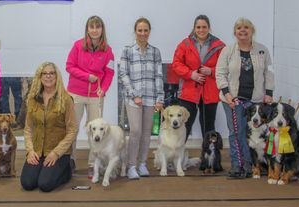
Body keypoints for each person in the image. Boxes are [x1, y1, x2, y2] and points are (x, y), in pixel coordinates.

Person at [216, 17, 274, 178]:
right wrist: (228, 95)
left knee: (253, 134)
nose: (243, 30)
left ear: (252, 31)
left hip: (256, 100)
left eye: (246, 27)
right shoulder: (227, 50)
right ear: (235, 32)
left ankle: (252, 165)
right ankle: (237, 165)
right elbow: (220, 74)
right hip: (232, 100)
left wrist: (269, 94)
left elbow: (269, 72)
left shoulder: (262, 50)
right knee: (236, 132)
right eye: (239, 28)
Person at [66, 15, 115, 177]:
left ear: (102, 29)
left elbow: (109, 72)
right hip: (75, 93)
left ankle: (93, 164)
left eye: (98, 27)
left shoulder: (108, 50)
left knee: (96, 131)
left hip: (96, 95)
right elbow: (69, 66)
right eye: (92, 27)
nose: (95, 30)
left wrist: (104, 89)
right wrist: (87, 77)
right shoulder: (78, 46)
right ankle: (69, 160)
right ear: (87, 29)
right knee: (71, 128)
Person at [21, 62, 77, 192]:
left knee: (45, 185)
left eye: (52, 73)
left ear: (57, 77)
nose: (48, 76)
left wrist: (56, 153)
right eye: (45, 73)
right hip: (37, 151)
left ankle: (67, 169)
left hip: (58, 152)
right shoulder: (32, 99)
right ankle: (43, 169)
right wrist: (30, 151)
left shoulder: (66, 99)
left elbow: (72, 130)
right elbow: (28, 129)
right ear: (40, 77)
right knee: (27, 183)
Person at [119, 17, 164, 179]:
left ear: (149, 32)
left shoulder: (155, 52)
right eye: (140, 30)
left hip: (151, 98)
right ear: (135, 32)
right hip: (133, 99)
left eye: (146, 30)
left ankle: (142, 163)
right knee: (136, 130)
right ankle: (131, 166)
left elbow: (159, 75)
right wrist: (134, 94)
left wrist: (160, 98)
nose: (143, 33)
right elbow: (123, 74)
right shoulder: (128, 50)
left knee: (146, 132)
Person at [172, 15, 225, 140]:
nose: (201, 30)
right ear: (194, 28)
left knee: (209, 126)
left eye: (204, 27)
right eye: (198, 27)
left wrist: (211, 71)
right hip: (189, 91)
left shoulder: (219, 45)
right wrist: (191, 74)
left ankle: (209, 158)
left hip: (210, 91)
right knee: (184, 125)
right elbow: (176, 63)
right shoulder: (185, 44)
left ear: (209, 28)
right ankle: (178, 157)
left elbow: (226, 67)